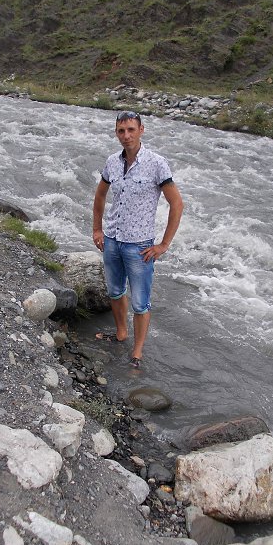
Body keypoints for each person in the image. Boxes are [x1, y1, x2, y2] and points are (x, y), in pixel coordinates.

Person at [93, 111, 183, 368]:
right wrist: (97, 230)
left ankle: (137, 354)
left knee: (140, 303)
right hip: (112, 239)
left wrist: (163, 245)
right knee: (114, 292)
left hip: (140, 245)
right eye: (121, 131)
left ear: (141, 130)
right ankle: (121, 333)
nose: (126, 135)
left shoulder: (157, 164)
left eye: (131, 130)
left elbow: (177, 204)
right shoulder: (112, 162)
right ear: (116, 133)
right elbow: (100, 196)